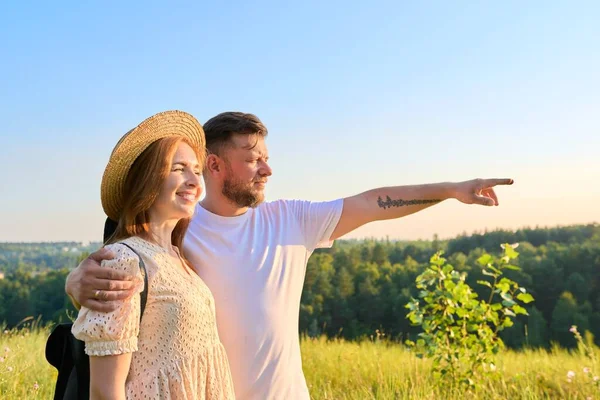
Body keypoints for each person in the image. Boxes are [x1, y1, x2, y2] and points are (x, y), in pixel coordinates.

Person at [66, 111, 513, 400]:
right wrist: (73, 281)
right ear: (217, 166)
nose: (268, 168)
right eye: (253, 157)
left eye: (267, 157)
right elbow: (120, 268)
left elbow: (374, 202)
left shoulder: (291, 221)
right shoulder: (176, 225)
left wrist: (452, 191)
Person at [70, 110, 235, 399]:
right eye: (178, 168)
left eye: (197, 170)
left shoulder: (177, 257)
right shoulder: (125, 260)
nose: (194, 181)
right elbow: (104, 391)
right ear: (147, 179)